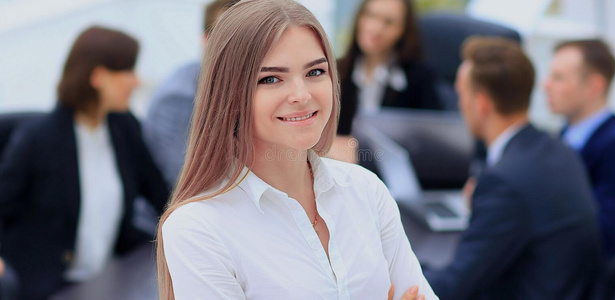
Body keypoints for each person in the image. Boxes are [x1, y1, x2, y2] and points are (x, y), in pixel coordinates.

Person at [156, 1, 437, 299]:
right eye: (271, 78)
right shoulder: (197, 229)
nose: (302, 95)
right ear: (230, 91)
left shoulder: (367, 191)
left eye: (315, 72)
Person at [423, 37, 603, 300]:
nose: (460, 105)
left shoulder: (505, 182)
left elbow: (451, 288)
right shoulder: (558, 150)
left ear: (482, 103)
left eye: (461, 94)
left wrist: (397, 264)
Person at [0, 26, 169, 300]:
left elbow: (159, 193)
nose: (136, 81)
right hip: (50, 285)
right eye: (127, 71)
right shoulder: (38, 139)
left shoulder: (123, 126)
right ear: (99, 76)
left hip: (112, 275)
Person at [544, 39, 615, 259]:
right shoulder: (564, 136)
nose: (546, 85)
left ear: (594, 86)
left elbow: (605, 237)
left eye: (558, 77)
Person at [331, 0, 444, 163]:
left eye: (389, 22)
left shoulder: (419, 77)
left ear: (403, 30)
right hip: (342, 171)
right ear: (359, 18)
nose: (376, 28)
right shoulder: (335, 72)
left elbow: (434, 143)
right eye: (371, 15)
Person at [145, 0, 239, 187]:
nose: (237, 46)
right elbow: (188, 181)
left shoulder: (259, 87)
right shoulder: (177, 99)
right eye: (227, 36)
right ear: (206, 40)